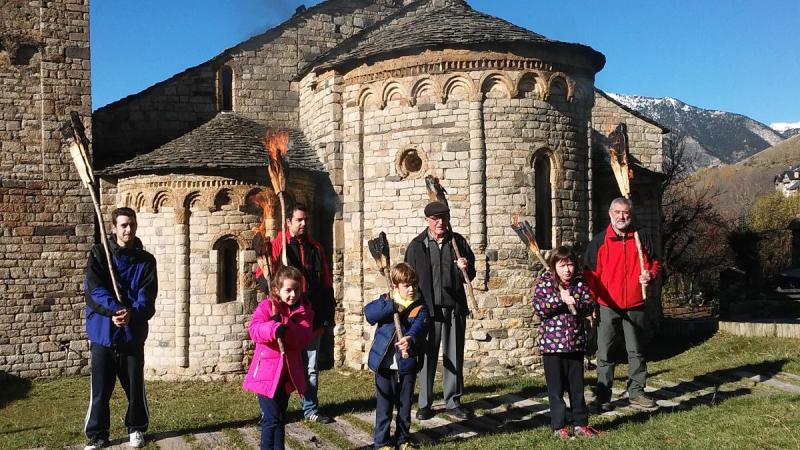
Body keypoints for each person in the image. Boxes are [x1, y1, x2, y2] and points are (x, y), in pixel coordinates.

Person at [83, 207, 158, 450]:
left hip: (131, 333)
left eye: (132, 225)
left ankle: (136, 428)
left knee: (135, 387)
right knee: (100, 390)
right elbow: (94, 291)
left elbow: (147, 297)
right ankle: (98, 434)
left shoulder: (146, 261)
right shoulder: (98, 255)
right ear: (113, 228)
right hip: (103, 332)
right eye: (124, 225)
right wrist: (115, 310)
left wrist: (131, 314)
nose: (129, 230)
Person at [584, 197, 661, 411]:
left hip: (635, 302)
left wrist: (650, 275)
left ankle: (636, 392)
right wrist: (590, 303)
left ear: (631, 214)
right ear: (610, 214)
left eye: (625, 213)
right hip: (606, 304)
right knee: (604, 351)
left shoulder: (642, 237)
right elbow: (590, 275)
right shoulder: (599, 241)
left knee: (636, 350)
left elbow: (655, 262)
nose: (621, 216)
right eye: (617, 212)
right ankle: (603, 395)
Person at [405, 201, 476, 420]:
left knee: (453, 354)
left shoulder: (457, 242)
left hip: (453, 307)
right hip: (427, 310)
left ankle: (453, 401)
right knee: (427, 356)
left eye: (444, 218)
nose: (440, 222)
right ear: (427, 220)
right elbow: (407, 278)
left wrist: (466, 267)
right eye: (435, 219)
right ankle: (425, 403)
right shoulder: (417, 245)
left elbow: (470, 274)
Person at [267, 203, 336, 423]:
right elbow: (263, 275)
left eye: (306, 219)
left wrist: (326, 316)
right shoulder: (280, 245)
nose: (304, 223)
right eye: (299, 220)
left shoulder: (316, 248)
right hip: (286, 319)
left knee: (310, 368)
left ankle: (310, 410)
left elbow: (326, 284)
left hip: (311, 319)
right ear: (288, 222)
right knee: (283, 368)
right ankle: (276, 411)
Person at [243, 266, 314, 450]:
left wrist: (285, 324)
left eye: (296, 290)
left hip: (286, 377)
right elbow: (255, 330)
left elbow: (303, 338)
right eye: (288, 290)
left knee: (280, 419)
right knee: (271, 419)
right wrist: (273, 329)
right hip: (267, 374)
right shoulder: (267, 307)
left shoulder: (304, 311)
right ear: (277, 290)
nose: (292, 294)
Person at [532, 246, 599, 440]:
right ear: (554, 267)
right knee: (556, 389)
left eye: (570, 264)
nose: (567, 269)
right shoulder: (546, 282)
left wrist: (575, 301)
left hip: (575, 344)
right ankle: (559, 426)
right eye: (562, 265)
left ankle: (580, 424)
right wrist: (558, 298)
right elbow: (539, 308)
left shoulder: (579, 283)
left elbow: (588, 305)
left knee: (577, 388)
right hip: (552, 346)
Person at [365, 263, 429, 450]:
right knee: (384, 407)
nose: (411, 289)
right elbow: (369, 314)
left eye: (414, 285)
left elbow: (421, 325)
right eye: (406, 285)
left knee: (405, 405)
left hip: (406, 364)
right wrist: (390, 306)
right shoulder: (386, 300)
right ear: (395, 286)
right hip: (385, 366)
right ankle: (381, 442)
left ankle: (403, 439)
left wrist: (410, 337)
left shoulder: (420, 305)